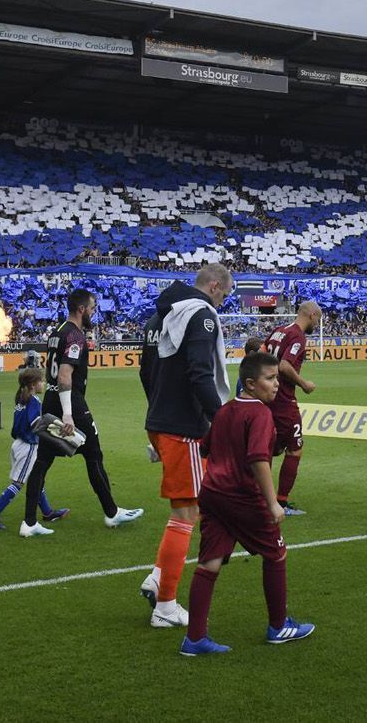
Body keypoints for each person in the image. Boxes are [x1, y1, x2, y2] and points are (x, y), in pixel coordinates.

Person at [179, 351, 315, 656]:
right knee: (276, 554)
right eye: (270, 379)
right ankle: (279, 626)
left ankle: (195, 637)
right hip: (242, 496)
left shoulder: (226, 410)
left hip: (212, 493)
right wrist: (273, 503)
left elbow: (207, 448)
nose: (276, 385)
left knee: (210, 561)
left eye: (277, 378)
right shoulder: (261, 414)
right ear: (250, 384)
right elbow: (257, 460)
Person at [141, 265, 232, 629]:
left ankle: (157, 578)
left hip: (161, 421)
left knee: (185, 507)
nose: (222, 303)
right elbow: (200, 373)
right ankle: (165, 607)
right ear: (213, 287)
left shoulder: (159, 316)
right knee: (186, 513)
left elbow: (145, 372)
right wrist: (221, 419)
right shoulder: (201, 316)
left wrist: (157, 413)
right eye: (223, 296)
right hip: (184, 427)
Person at [22, 289, 142, 538]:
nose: (94, 312)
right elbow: (65, 375)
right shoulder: (75, 335)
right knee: (94, 454)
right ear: (81, 309)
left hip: (50, 400)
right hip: (71, 403)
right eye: (92, 307)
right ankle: (111, 513)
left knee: (43, 461)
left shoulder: (57, 332)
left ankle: (29, 522)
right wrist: (68, 414)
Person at [0, 368, 67, 531]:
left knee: (35, 478)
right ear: (34, 385)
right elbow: (34, 424)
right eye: (41, 381)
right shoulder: (34, 401)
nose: (44, 383)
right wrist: (52, 429)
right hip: (28, 446)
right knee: (18, 483)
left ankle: (47, 512)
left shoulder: (21, 399)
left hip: (19, 443)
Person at [263, 301, 321, 515]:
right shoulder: (297, 336)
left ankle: (261, 499)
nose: (317, 323)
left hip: (266, 398)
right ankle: (281, 503)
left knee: (267, 448)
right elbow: (285, 365)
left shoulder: (279, 331)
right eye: (318, 319)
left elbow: (260, 353)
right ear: (312, 315)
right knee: (295, 449)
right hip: (284, 401)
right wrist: (304, 384)